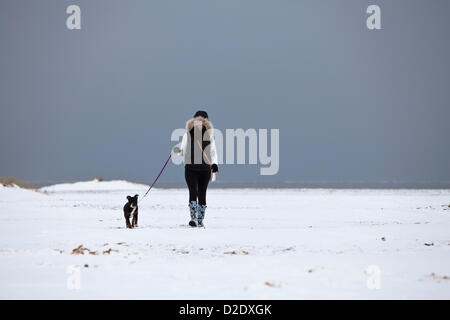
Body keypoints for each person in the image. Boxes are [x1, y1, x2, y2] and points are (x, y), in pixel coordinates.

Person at [173, 110, 219, 227]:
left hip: (205, 170)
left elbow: (213, 152)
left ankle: (200, 220)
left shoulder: (209, 135)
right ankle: (193, 219)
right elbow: (183, 151)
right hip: (191, 169)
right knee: (193, 192)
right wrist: (177, 151)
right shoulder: (187, 135)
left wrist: (214, 164)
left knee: (202, 194)